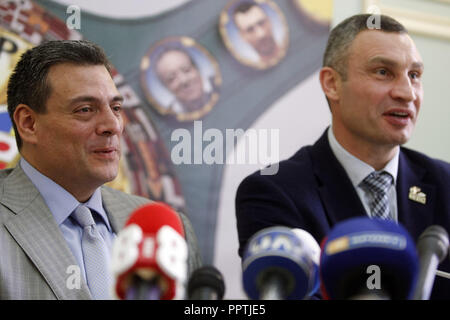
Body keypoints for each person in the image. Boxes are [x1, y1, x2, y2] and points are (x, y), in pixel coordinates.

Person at [235, 14, 450, 299]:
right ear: (332, 84)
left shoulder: (446, 185)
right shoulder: (273, 191)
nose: (406, 93)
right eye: (383, 72)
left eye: (414, 75)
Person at [0, 40, 202, 300]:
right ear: (28, 123)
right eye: (85, 110)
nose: (113, 125)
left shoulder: (169, 231)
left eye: (116, 108)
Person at [155, 48, 215, 115]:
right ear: (165, 86)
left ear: (197, 69)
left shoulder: (219, 84)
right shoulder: (171, 116)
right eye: (172, 78)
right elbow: (198, 123)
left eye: (186, 70)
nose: (184, 80)